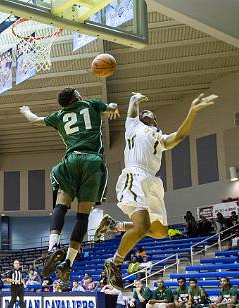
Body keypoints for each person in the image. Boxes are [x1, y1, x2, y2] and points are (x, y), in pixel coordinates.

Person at [95, 92, 216, 289]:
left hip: (152, 182)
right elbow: (133, 107)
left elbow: (180, 136)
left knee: (160, 232)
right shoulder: (134, 125)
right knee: (142, 227)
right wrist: (136, 98)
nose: (145, 112)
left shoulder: (159, 136)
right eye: (143, 112)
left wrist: (192, 112)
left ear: (155, 120)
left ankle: (115, 225)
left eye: (149, 112)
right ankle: (115, 262)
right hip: (134, 174)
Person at [20, 88, 119, 282]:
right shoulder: (92, 104)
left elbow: (34, 120)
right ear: (77, 96)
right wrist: (113, 107)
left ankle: (51, 248)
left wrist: (25, 110)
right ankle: (68, 263)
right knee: (83, 216)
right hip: (93, 161)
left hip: (72, 160)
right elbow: (112, 107)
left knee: (61, 205)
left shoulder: (60, 115)